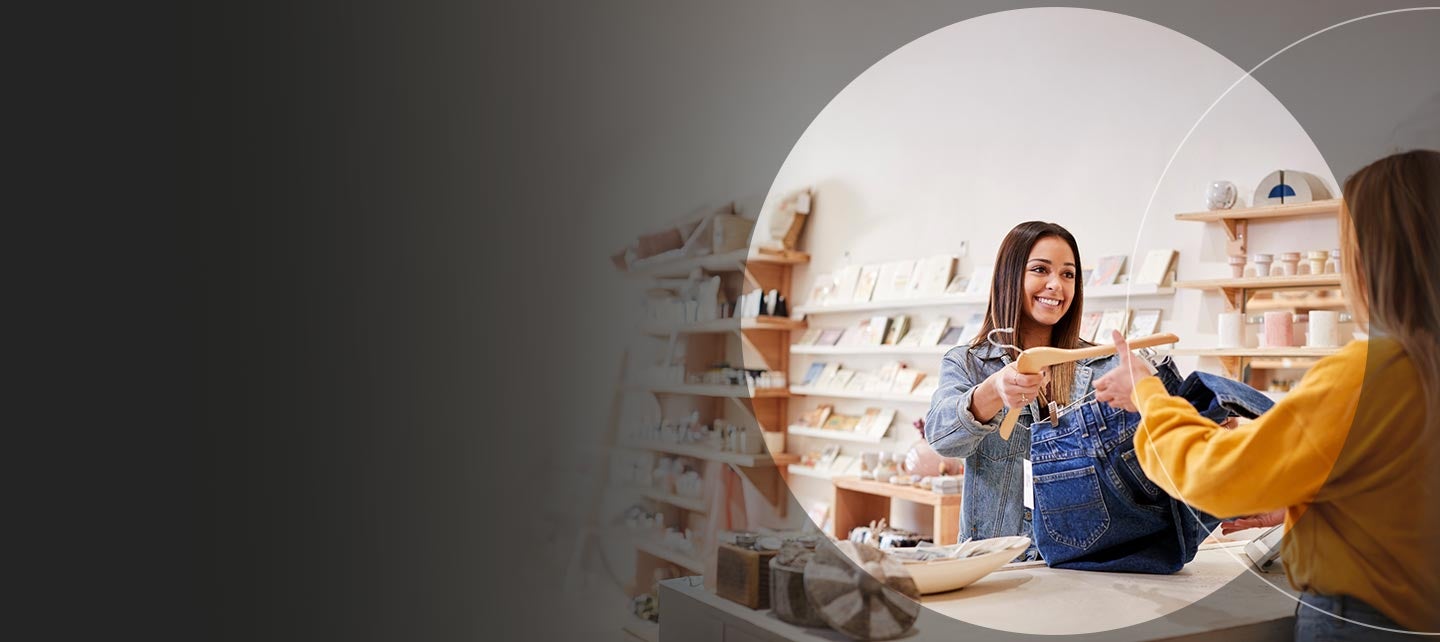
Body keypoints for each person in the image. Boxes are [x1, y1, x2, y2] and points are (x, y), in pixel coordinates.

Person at [1095, 149, 1440, 638]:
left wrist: (1148, 393)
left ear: (1371, 260)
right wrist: (1318, 498)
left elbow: (1213, 474)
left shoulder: (1366, 376)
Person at [925, 221, 1118, 554]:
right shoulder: (968, 362)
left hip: (1086, 559)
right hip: (996, 561)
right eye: (1040, 270)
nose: (1056, 285)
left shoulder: (1102, 365)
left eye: (1068, 274)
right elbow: (942, 438)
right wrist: (993, 391)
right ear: (1009, 276)